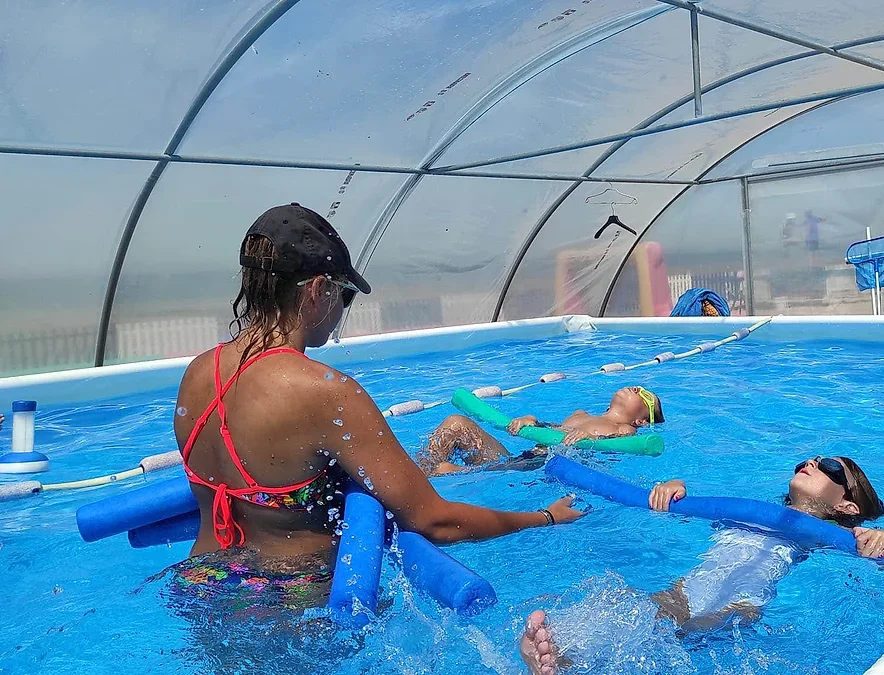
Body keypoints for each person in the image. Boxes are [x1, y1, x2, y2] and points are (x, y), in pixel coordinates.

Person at [173, 203, 582, 598]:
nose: (342, 310)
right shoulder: (325, 391)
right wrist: (544, 517)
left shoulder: (198, 373)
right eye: (345, 295)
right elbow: (432, 520)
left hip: (203, 585)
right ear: (317, 290)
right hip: (292, 597)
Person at [518, 455, 884, 674]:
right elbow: (688, 513)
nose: (812, 462)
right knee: (639, 610)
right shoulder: (742, 509)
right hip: (688, 588)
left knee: (687, 632)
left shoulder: (836, 534)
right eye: (808, 460)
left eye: (830, 467)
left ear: (846, 505)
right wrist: (673, 489)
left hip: (744, 603)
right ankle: (565, 659)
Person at [419, 386, 664, 476]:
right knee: (456, 422)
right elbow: (549, 432)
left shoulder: (624, 429)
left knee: (444, 470)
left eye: (645, 396)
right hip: (524, 458)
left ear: (642, 421)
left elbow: (614, 447)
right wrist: (530, 421)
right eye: (638, 387)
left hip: (537, 469)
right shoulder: (580, 414)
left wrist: (592, 439)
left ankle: (441, 475)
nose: (636, 389)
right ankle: (419, 471)